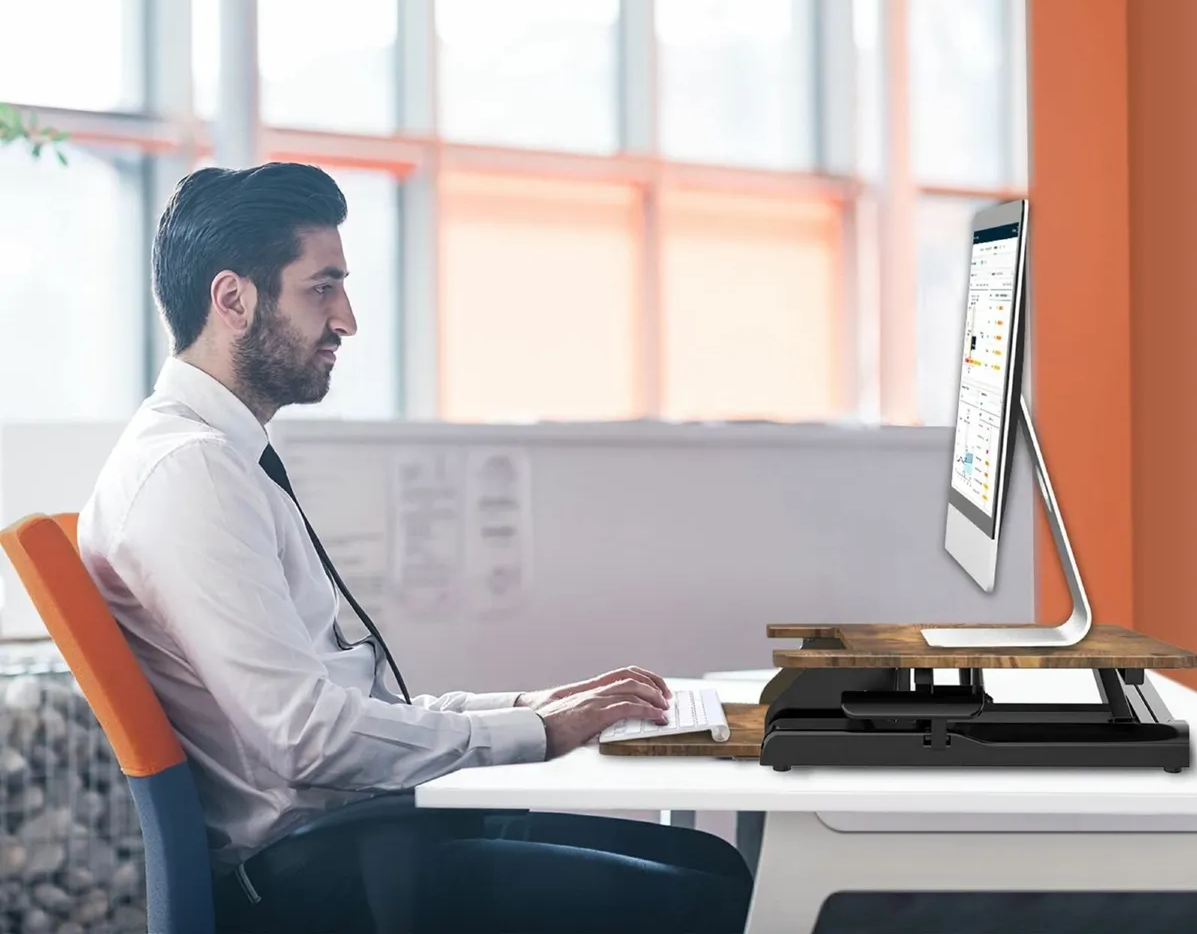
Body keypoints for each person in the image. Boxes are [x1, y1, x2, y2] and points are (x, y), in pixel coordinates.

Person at [78, 162, 752, 933]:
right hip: (325, 881)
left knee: (712, 866)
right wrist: (536, 733)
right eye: (321, 288)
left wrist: (536, 707)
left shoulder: (217, 457)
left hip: (359, 842)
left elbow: (349, 709)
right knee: (707, 899)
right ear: (233, 299)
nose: (347, 320)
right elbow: (308, 738)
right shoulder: (189, 473)